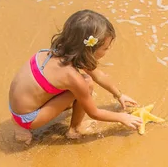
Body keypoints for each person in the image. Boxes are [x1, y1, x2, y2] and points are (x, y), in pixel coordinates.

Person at [8, 9, 142, 144]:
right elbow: (94, 113)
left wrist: (119, 95)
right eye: (106, 48)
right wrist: (122, 117)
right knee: (87, 82)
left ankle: (20, 126)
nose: (107, 51)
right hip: (30, 119)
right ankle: (74, 130)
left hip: (17, 111)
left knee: (78, 84)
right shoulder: (71, 76)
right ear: (89, 50)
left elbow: (99, 75)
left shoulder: (52, 53)